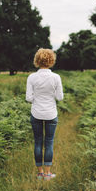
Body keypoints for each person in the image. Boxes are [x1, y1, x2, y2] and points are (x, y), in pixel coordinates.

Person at [26, 48, 64, 181]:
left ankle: (40, 173)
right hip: (51, 114)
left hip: (36, 113)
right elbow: (59, 97)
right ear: (51, 60)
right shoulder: (56, 77)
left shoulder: (32, 77)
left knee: (38, 142)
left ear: (37, 60)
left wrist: (38, 95)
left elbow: (29, 98)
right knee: (49, 143)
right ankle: (48, 174)